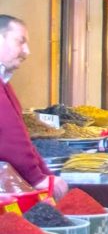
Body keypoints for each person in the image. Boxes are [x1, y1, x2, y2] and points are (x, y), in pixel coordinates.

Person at [0, 15, 69, 199]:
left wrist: (45, 175)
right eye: (20, 42)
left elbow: (21, 136)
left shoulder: (5, 83)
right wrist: (37, 178)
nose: (27, 51)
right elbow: (8, 135)